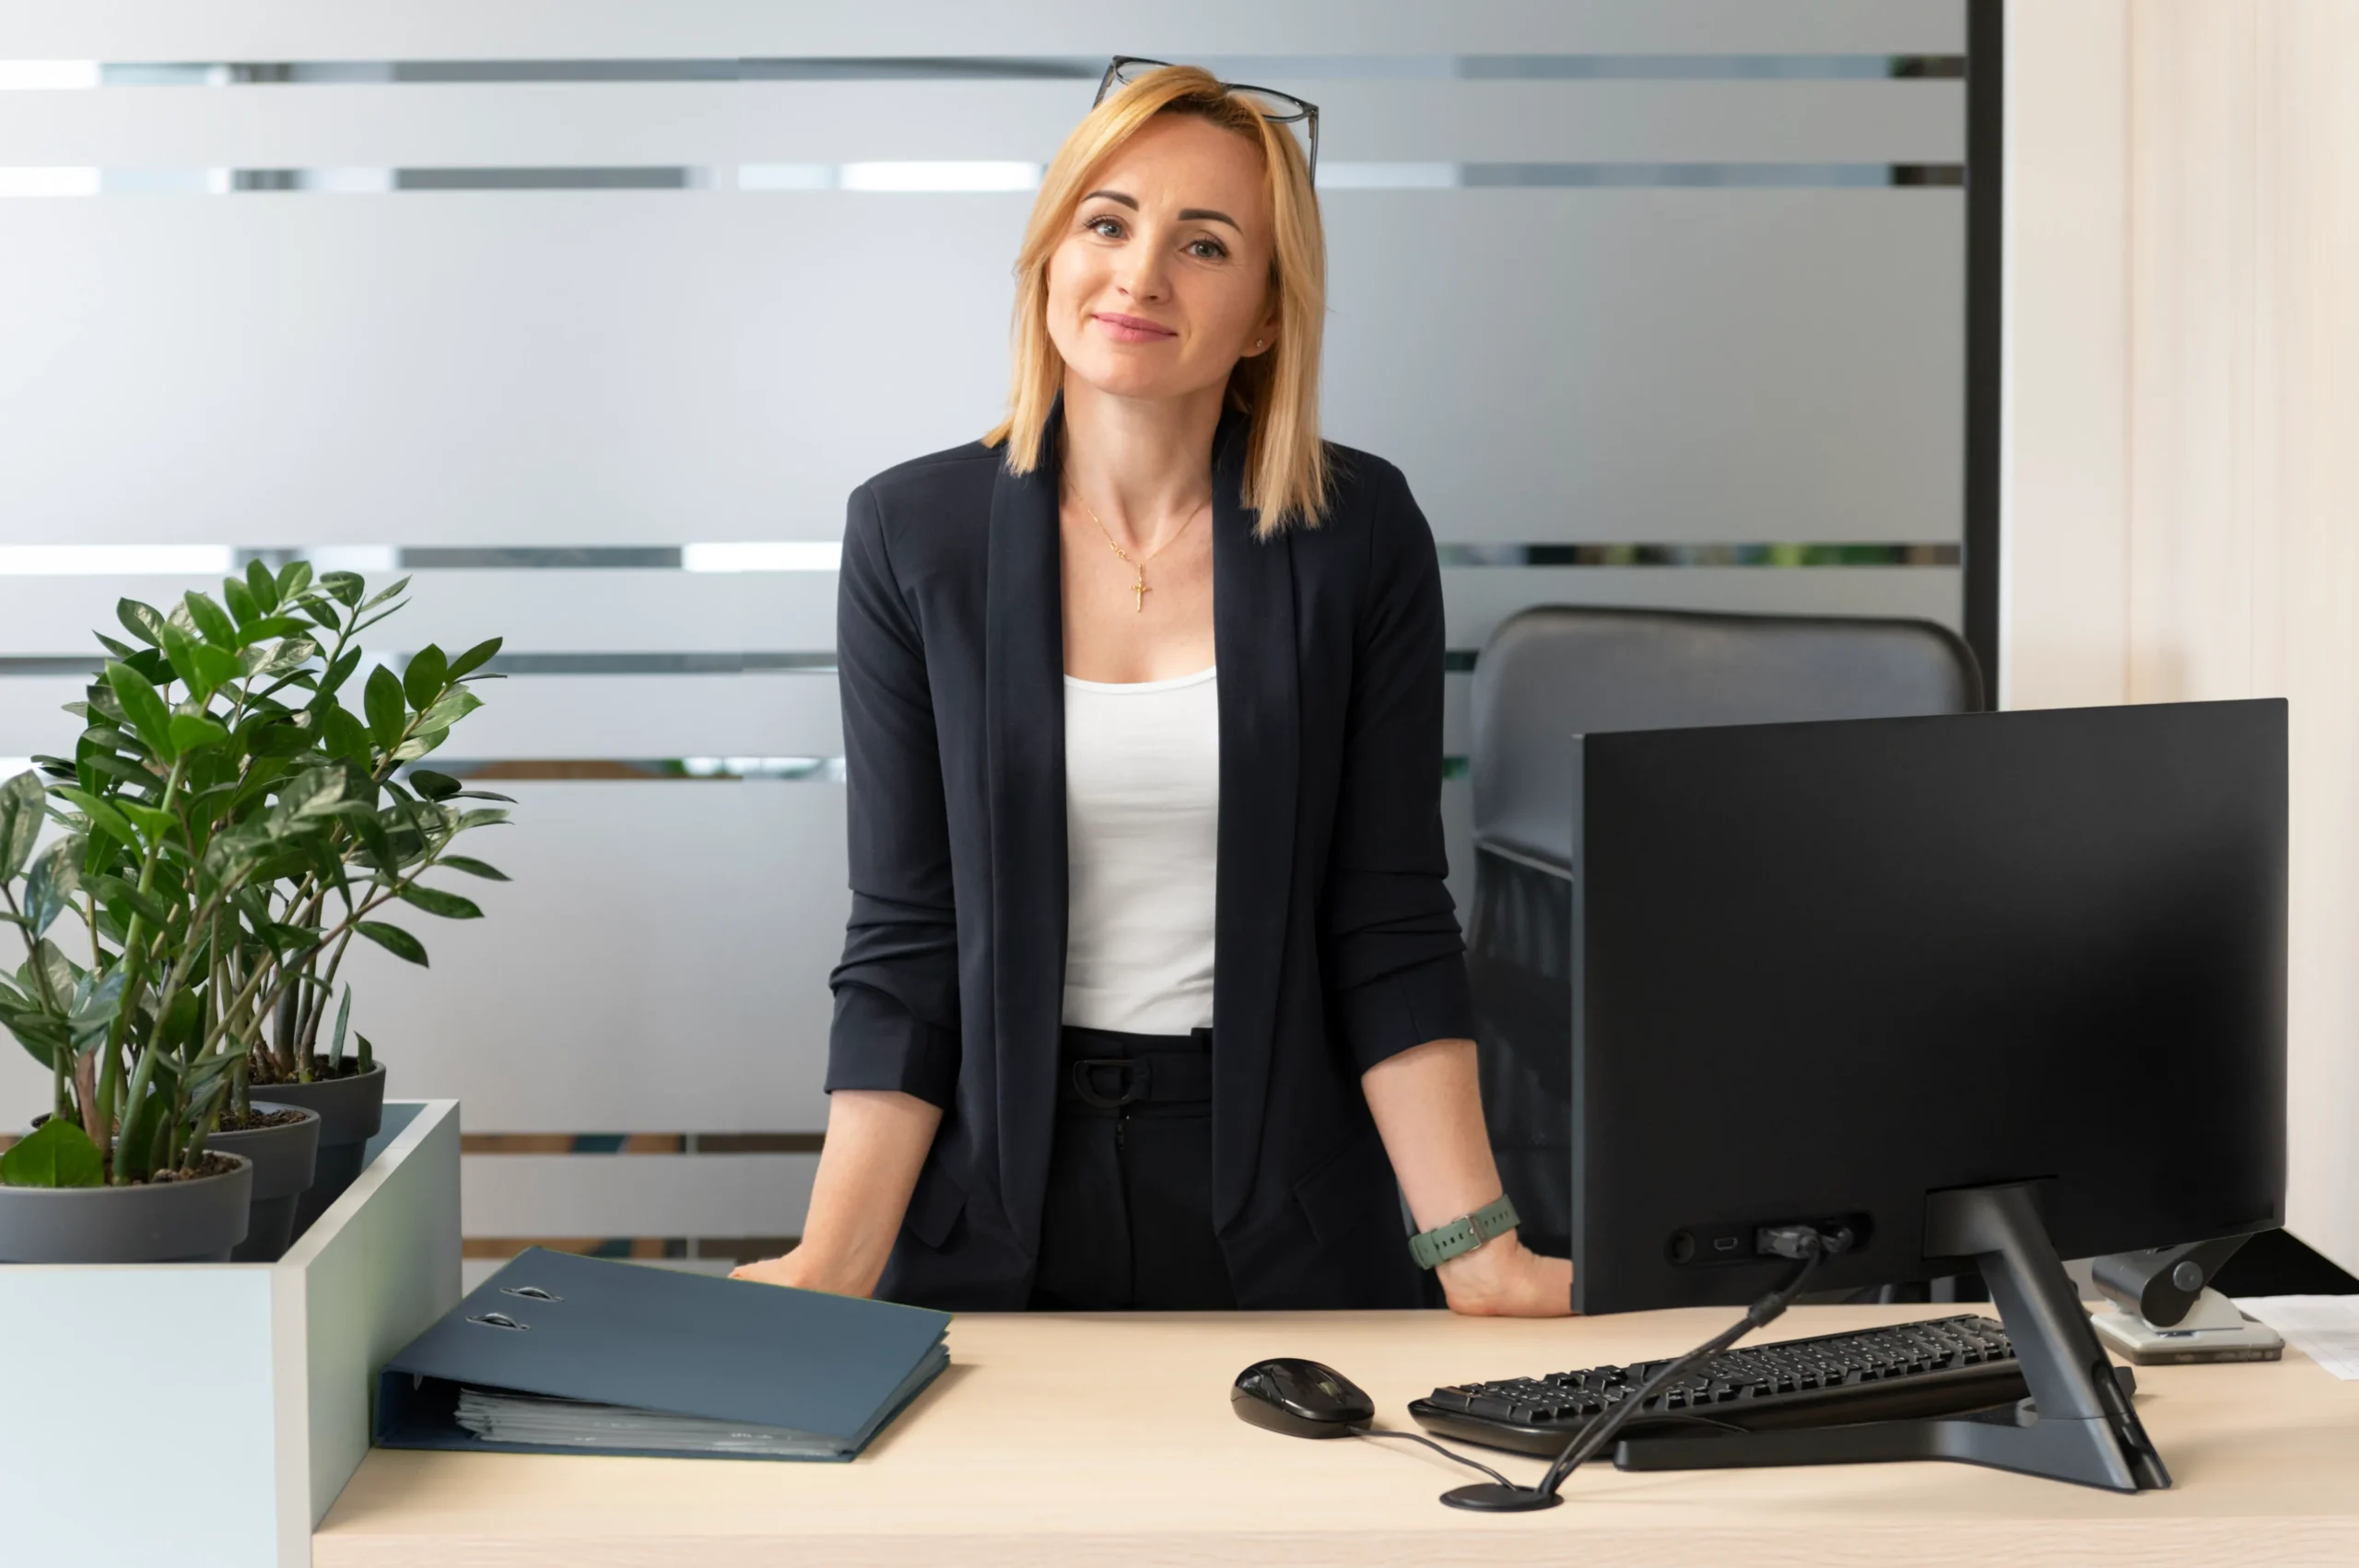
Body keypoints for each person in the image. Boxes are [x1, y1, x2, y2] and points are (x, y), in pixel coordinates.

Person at [733, 61, 1570, 1316]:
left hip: (1283, 1202)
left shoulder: (1359, 532)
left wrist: (1480, 1250)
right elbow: (907, 938)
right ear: (1051, 252)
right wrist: (835, 1259)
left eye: (1205, 243)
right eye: (1108, 222)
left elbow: (1388, 918)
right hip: (988, 1197)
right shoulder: (915, 533)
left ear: (1268, 313)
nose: (1140, 274)